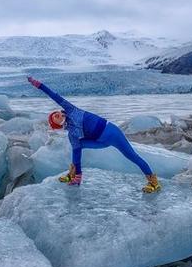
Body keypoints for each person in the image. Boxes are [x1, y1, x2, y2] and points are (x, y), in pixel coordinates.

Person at [27, 76, 161, 193]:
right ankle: (75, 175)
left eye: (55, 114)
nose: (56, 115)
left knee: (133, 157)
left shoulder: (71, 110)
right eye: (54, 118)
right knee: (76, 147)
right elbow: (77, 153)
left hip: (112, 133)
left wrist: (38, 85)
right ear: (57, 124)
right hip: (101, 141)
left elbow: (53, 95)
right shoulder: (72, 134)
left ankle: (154, 182)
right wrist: (78, 178)